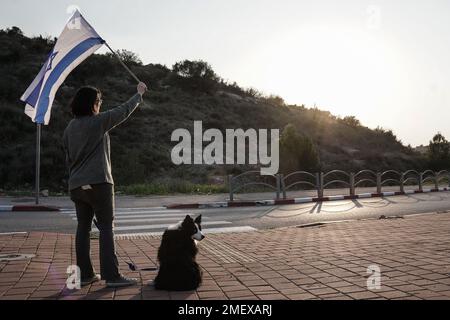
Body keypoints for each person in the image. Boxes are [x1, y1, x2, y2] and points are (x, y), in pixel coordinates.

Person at [63, 82, 148, 288]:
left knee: (82, 228)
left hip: (76, 185)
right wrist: (139, 94)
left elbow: (68, 159)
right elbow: (123, 111)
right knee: (106, 228)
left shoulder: (69, 128)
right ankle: (112, 276)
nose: (100, 105)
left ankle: (85, 276)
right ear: (93, 104)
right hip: (99, 182)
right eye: (99, 101)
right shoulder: (98, 122)